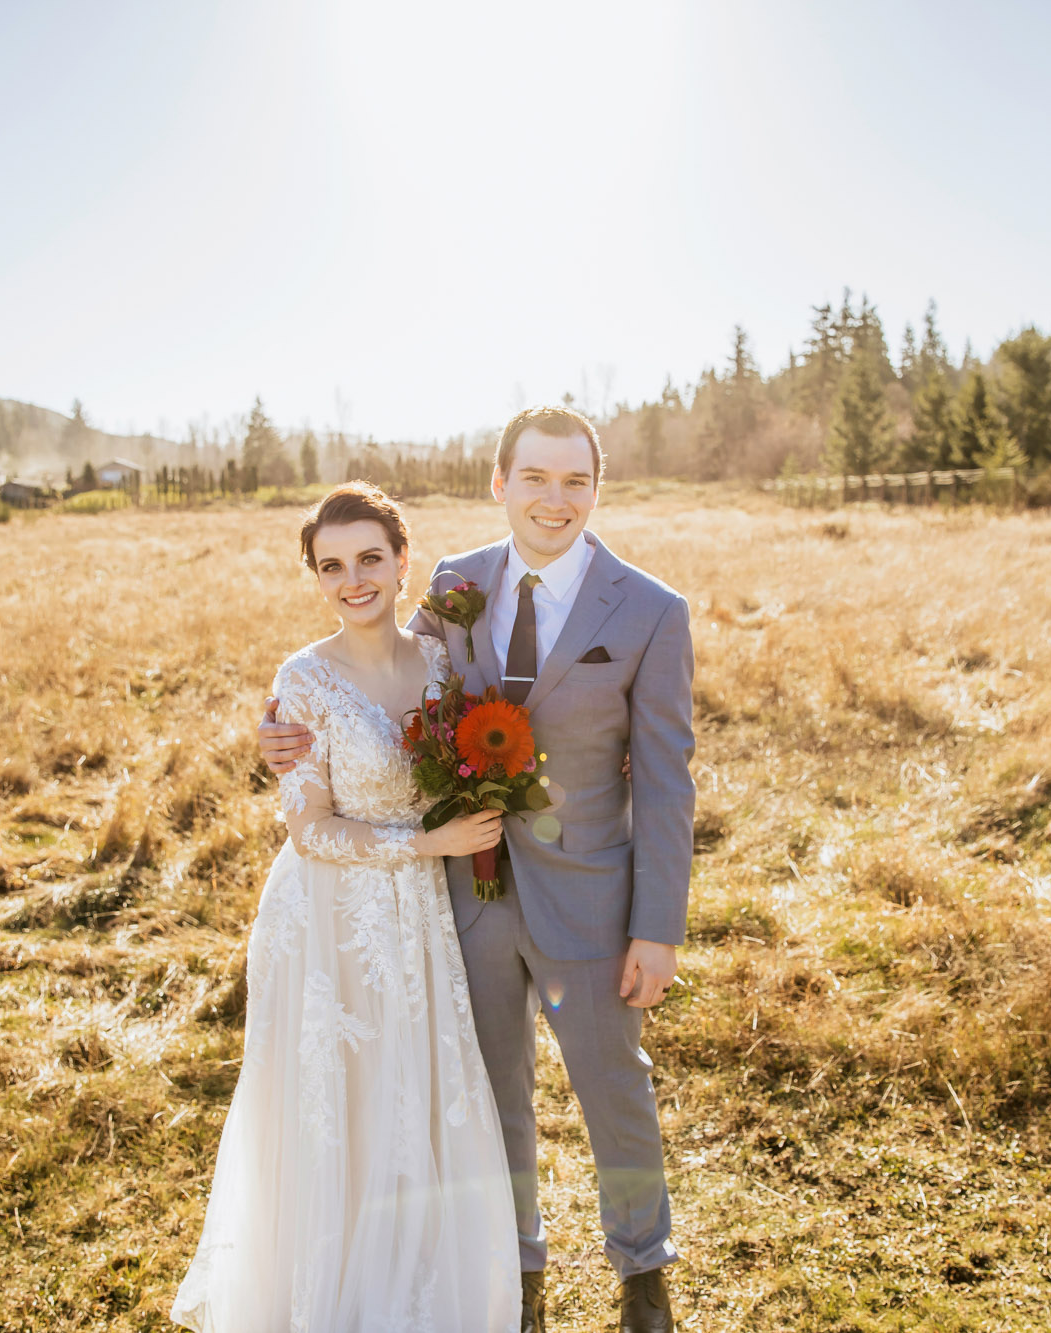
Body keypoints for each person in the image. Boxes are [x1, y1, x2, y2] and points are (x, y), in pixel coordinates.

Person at [259, 407, 695, 1333]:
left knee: (614, 1088)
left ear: (596, 488)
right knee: (493, 1092)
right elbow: (371, 670)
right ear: (500, 485)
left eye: (575, 480)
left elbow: (665, 784)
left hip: (594, 898)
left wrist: (657, 926)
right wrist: (278, 725)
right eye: (535, 478)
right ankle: (518, 1270)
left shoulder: (652, 611)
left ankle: (642, 1271)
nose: (555, 498)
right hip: (471, 892)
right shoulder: (457, 584)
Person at [171, 483, 520, 1332]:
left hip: (421, 918)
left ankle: (417, 1284)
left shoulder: (441, 660)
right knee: (339, 1102)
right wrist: (428, 847)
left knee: (411, 1093)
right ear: (316, 578)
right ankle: (326, 1293)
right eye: (332, 566)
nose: (353, 579)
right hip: (329, 919)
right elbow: (310, 830)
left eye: (370, 558)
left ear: (404, 561)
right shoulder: (302, 680)